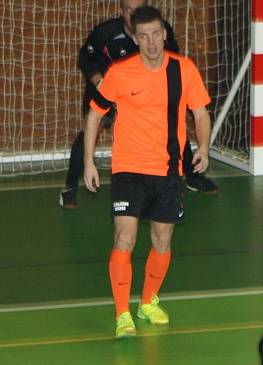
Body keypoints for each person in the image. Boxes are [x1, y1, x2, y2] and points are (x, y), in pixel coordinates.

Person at [83, 5, 212, 338]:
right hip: (128, 169)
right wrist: (88, 162)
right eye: (144, 36)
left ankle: (148, 302)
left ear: (164, 34)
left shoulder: (183, 69)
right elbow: (95, 114)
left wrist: (205, 149)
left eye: (156, 34)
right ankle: (122, 312)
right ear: (135, 39)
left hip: (168, 170)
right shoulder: (121, 73)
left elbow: (200, 113)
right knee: (125, 238)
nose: (152, 42)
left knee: (162, 240)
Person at [60, 0, 218, 210]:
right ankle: (70, 187)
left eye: (155, 34)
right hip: (107, 87)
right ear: (122, 12)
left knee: (173, 124)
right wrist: (100, 81)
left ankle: (191, 175)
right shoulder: (105, 32)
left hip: (146, 93)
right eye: (129, 10)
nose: (150, 41)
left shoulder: (162, 32)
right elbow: (86, 59)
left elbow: (173, 61)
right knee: (90, 127)